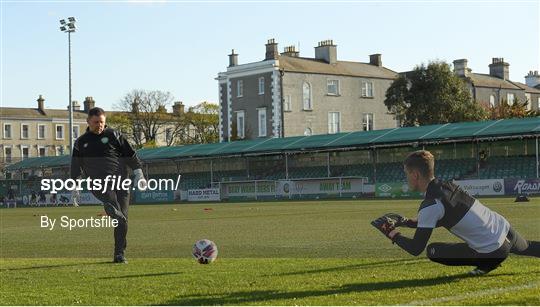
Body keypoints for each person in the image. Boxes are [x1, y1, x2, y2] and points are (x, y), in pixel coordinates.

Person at [371, 150, 539, 275]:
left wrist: (391, 233)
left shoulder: (430, 204)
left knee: (432, 250)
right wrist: (405, 221)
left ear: (415, 174)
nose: (406, 178)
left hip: (493, 252)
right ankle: (487, 263)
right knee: (529, 247)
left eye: (407, 174)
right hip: (505, 230)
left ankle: (487, 264)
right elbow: (441, 218)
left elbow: (416, 248)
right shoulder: (448, 187)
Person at [71, 107, 146, 264]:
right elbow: (76, 167)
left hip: (122, 183)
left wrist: (139, 173)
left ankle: (119, 254)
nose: (99, 125)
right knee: (116, 210)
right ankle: (113, 211)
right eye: (96, 122)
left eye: (102, 122)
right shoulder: (81, 143)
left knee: (123, 219)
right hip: (99, 184)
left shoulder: (114, 135)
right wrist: (75, 185)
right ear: (88, 122)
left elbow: (131, 154)